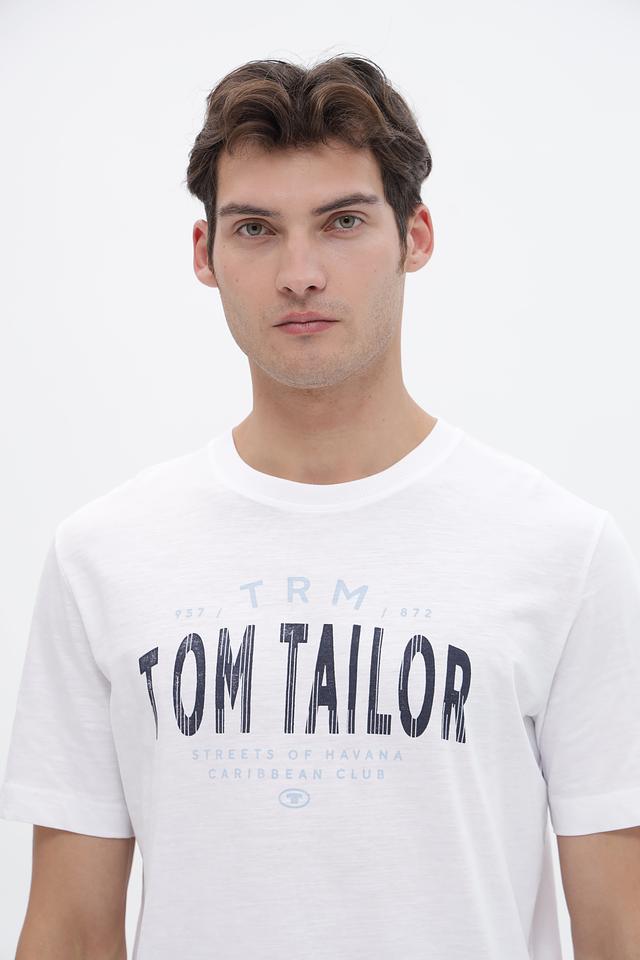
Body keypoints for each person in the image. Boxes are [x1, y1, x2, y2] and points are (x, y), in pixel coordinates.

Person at [1, 53, 639, 960]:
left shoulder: (563, 554)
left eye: (343, 222)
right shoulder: (102, 557)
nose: (299, 273)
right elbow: (67, 930)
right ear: (205, 255)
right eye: (255, 229)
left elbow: (620, 930)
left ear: (416, 236)